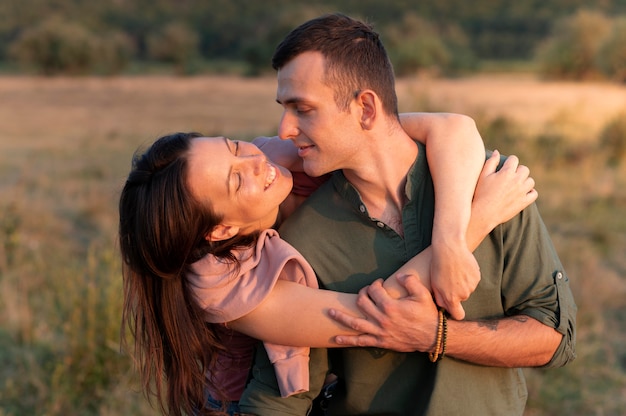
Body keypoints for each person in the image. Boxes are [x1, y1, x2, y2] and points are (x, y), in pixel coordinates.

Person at [238, 13, 577, 416]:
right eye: (284, 109)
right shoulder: (300, 239)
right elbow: (281, 397)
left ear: (365, 108)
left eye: (303, 109)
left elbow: (555, 339)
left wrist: (438, 336)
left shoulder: (489, 185)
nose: (285, 128)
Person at [119, 114, 535, 415]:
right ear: (222, 230)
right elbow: (373, 317)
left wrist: (446, 234)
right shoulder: (222, 288)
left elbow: (452, 127)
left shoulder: (263, 157)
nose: (255, 162)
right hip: (250, 404)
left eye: (233, 146)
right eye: (235, 179)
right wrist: (480, 217)